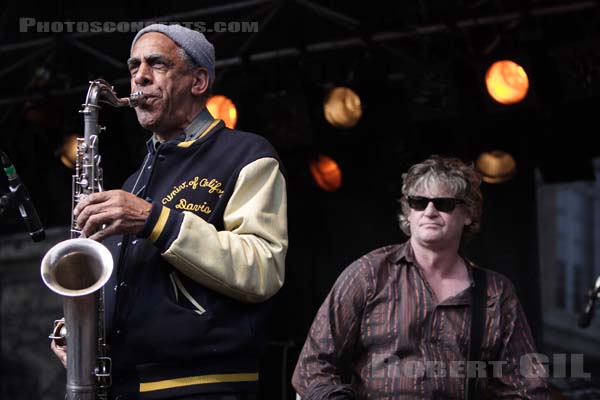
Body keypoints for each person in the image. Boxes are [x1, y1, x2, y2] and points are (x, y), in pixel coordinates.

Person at [51, 23, 288, 400]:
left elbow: (262, 268)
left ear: (198, 81)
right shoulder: (132, 183)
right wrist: (83, 332)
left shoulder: (246, 155)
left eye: (156, 64)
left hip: (202, 388)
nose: (139, 77)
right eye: (133, 67)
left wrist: (154, 220)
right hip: (124, 388)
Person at [292, 155, 549, 399]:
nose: (429, 211)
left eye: (444, 204)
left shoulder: (495, 292)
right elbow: (313, 367)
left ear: (468, 214)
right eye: (418, 202)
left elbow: (526, 386)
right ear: (408, 212)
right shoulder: (368, 274)